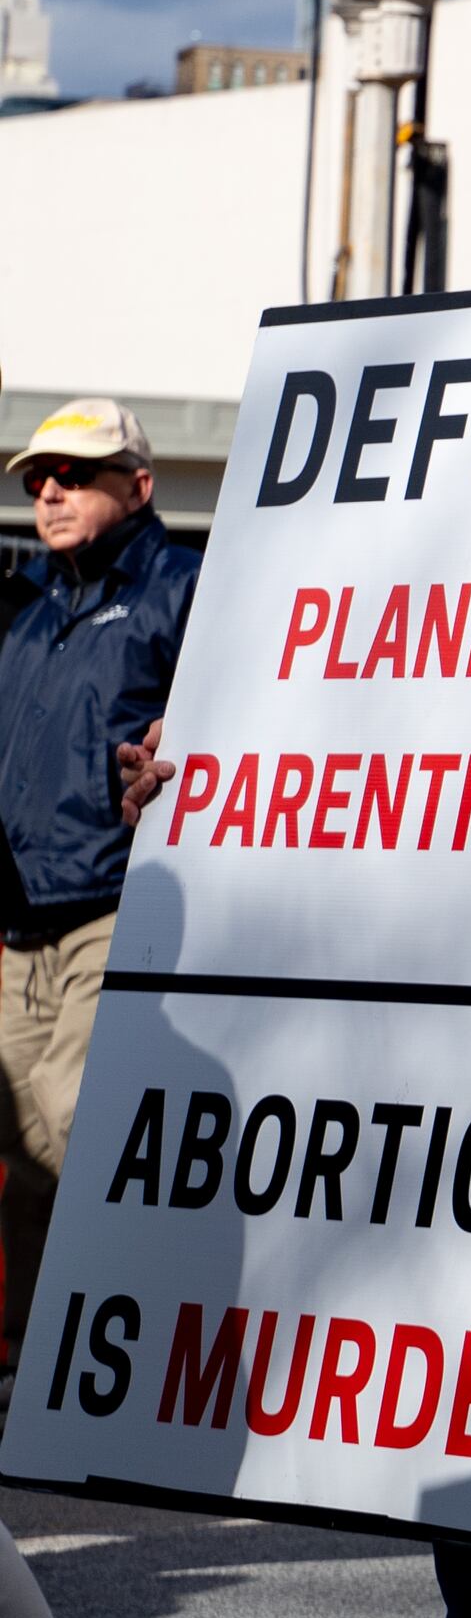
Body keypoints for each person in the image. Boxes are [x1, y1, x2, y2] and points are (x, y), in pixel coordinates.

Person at [0, 401, 197, 1369]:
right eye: (39, 478)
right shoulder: (31, 611)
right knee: (28, 1162)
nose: (49, 493)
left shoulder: (182, 589)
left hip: (120, 903)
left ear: (140, 485)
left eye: (75, 475)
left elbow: (226, 744)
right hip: (22, 921)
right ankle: (37, 1365)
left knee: (80, 1132)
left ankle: (111, 1367)